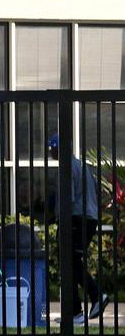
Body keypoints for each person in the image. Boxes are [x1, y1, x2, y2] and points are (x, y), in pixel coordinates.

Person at [48, 133, 108, 324]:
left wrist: (57, 217)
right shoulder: (82, 166)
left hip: (76, 218)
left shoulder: (66, 167)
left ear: (60, 148)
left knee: (70, 261)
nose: (51, 152)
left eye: (53, 148)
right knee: (71, 262)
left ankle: (95, 296)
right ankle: (76, 311)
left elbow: (68, 198)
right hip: (89, 218)